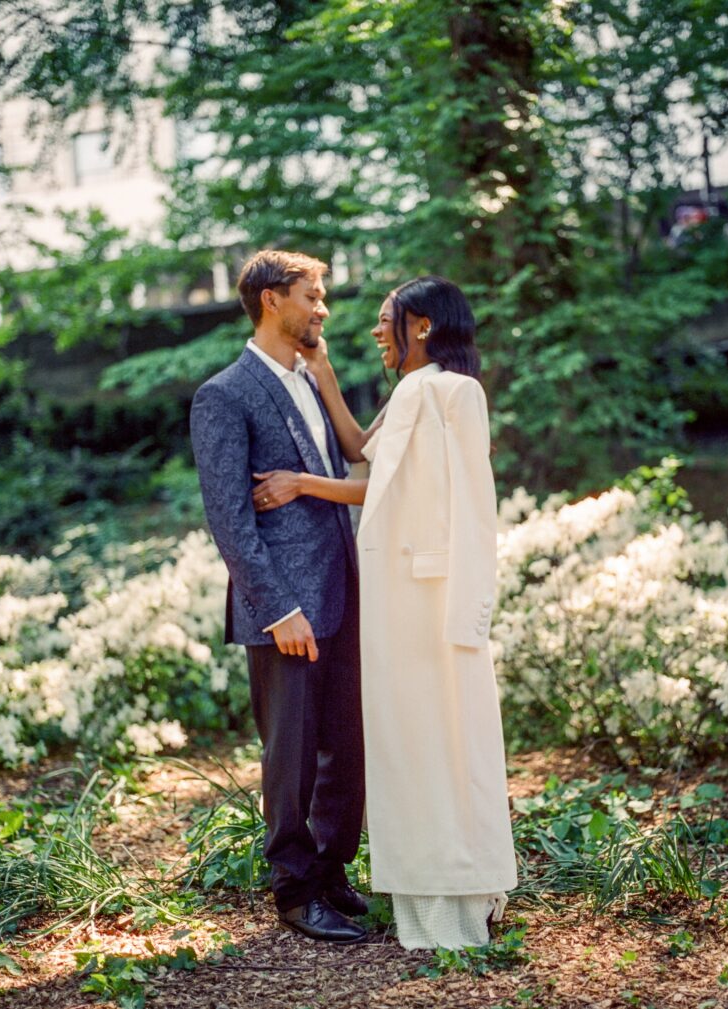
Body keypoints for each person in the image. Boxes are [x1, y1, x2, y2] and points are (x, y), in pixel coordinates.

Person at [252, 275, 518, 950]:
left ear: (422, 325)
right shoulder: (411, 392)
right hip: (396, 597)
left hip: (426, 598)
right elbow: (361, 447)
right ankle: (433, 887)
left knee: (437, 741)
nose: (375, 330)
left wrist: (299, 483)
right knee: (407, 742)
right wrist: (324, 371)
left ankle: (457, 890)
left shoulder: (452, 392)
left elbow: (392, 489)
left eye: (385, 319)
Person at [190, 250, 369, 944]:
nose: (322, 308)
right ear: (271, 299)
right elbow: (230, 520)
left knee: (343, 747)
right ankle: (294, 891)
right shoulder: (224, 394)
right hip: (285, 610)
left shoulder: (309, 376)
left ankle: (329, 869)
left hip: (342, 592)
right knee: (290, 757)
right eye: (311, 295)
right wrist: (279, 609)